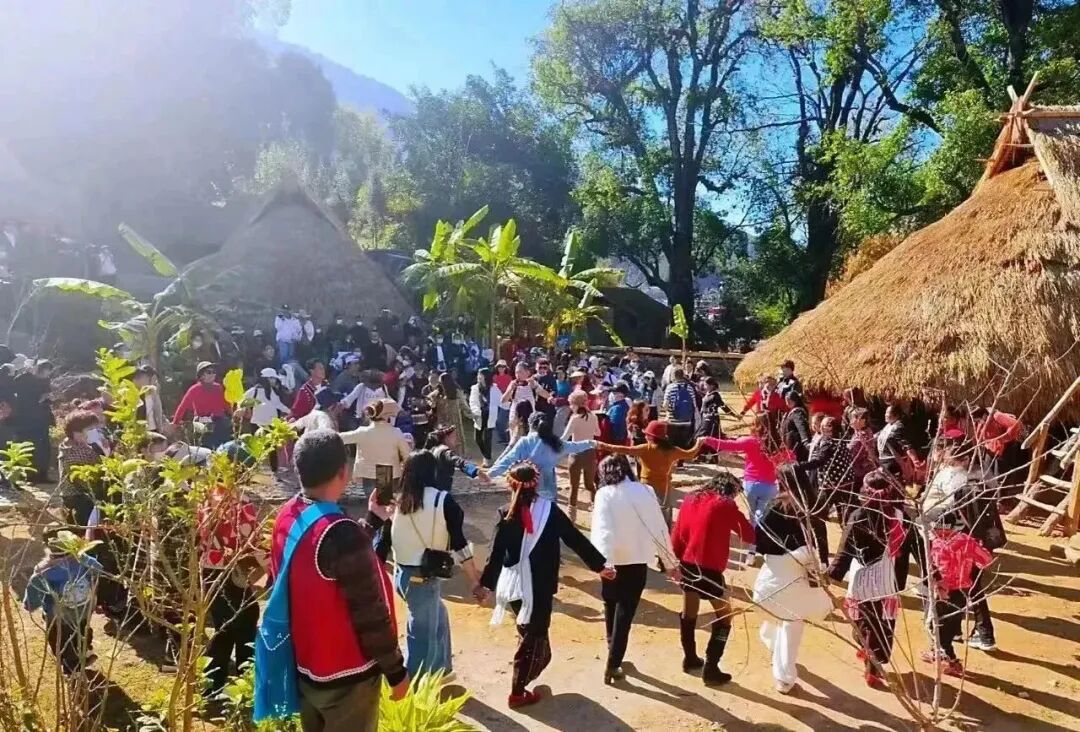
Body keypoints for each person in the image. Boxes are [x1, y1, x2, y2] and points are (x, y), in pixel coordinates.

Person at [267, 430, 406, 730]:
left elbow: (331, 561)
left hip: (306, 667)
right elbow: (369, 611)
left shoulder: (287, 516)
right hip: (348, 677)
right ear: (344, 472)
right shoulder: (341, 533)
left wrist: (371, 521)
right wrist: (396, 672)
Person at [479, 461, 614, 708]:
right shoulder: (549, 511)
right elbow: (575, 539)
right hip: (540, 585)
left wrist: (486, 585)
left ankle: (524, 676)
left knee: (528, 631)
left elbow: (495, 553)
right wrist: (600, 566)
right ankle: (517, 691)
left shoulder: (504, 513)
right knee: (535, 635)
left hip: (514, 584)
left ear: (510, 485)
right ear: (537, 483)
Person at [387, 451, 482, 678]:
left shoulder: (400, 500)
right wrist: (475, 581)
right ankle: (415, 685)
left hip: (402, 574)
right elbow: (460, 545)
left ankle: (441, 669)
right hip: (423, 578)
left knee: (438, 617)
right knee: (422, 636)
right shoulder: (441, 500)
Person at [828, 470, 914, 689]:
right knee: (883, 623)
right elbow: (917, 548)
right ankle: (876, 660)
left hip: (863, 580)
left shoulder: (858, 516)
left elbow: (845, 551)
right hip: (889, 579)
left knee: (863, 622)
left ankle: (870, 660)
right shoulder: (901, 517)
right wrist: (934, 575)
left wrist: (830, 576)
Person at [591, 454, 673, 683]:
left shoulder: (604, 494)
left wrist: (603, 564)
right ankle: (614, 661)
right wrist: (669, 562)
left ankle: (612, 648)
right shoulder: (646, 491)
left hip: (611, 562)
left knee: (610, 604)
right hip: (636, 561)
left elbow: (602, 530)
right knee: (625, 613)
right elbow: (659, 528)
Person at [670, 474, 755, 685]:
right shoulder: (725, 504)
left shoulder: (691, 498)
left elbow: (677, 531)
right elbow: (748, 535)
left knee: (689, 614)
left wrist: (674, 561)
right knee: (725, 617)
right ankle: (711, 667)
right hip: (710, 568)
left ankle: (690, 658)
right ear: (731, 491)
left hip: (687, 562)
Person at [753, 475, 831, 694]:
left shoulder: (775, 506)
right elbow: (821, 541)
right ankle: (784, 676)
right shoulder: (813, 509)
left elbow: (760, 540)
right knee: (792, 625)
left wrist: (780, 555)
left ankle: (773, 646)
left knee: (779, 614)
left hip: (777, 571)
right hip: (801, 575)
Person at [198, 478, 262, 696]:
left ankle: (212, 685)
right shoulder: (240, 501)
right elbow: (251, 539)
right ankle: (247, 684)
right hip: (232, 569)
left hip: (209, 570)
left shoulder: (207, 497)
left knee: (222, 627)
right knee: (246, 624)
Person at [23, 526, 103, 674]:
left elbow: (33, 593)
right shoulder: (83, 561)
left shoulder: (45, 570)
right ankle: (85, 650)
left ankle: (71, 666)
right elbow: (99, 569)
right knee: (83, 628)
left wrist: (29, 604)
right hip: (84, 608)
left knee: (60, 640)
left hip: (58, 616)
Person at [487, 412, 596, 502]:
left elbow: (508, 460)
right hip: (548, 490)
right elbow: (575, 446)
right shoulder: (554, 443)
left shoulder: (525, 442)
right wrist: (592, 443)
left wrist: (490, 474)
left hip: (526, 488)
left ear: (530, 425)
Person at [600, 420, 701, 518]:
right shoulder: (672, 450)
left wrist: (603, 445)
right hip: (664, 488)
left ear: (653, 437)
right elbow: (690, 454)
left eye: (647, 434)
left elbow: (623, 449)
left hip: (646, 487)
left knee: (647, 513)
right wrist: (699, 443)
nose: (645, 436)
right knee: (664, 513)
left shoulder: (645, 449)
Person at [701, 416, 779, 525]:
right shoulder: (778, 444)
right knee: (763, 514)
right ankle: (760, 529)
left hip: (751, 484)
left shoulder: (750, 441)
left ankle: (754, 531)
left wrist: (707, 440)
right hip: (770, 485)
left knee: (753, 513)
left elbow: (729, 445)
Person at [340, 399, 412, 494]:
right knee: (383, 502)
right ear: (388, 415)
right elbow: (407, 455)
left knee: (370, 501)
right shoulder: (396, 432)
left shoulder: (362, 432)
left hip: (367, 472)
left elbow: (340, 438)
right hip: (386, 472)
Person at [58, 410, 104, 527]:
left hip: (81, 496)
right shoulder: (73, 453)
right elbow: (88, 483)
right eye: (90, 429)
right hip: (79, 500)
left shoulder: (76, 445)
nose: (94, 433)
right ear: (76, 432)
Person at [561, 390, 602, 522]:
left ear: (576, 404)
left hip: (576, 455)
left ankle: (572, 516)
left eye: (571, 404)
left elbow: (564, 437)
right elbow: (598, 433)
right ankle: (596, 508)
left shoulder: (575, 418)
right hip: (590, 454)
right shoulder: (593, 416)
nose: (570, 407)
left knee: (574, 487)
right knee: (590, 484)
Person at [173, 361, 231, 448]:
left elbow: (225, 403)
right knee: (205, 446)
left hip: (219, 422)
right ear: (201, 376)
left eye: (214, 372)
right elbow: (183, 406)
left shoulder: (218, 387)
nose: (212, 374)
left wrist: (232, 413)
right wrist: (175, 422)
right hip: (201, 422)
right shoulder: (194, 389)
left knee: (223, 445)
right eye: (209, 372)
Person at [14, 359, 55, 481]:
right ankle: (28, 474)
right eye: (46, 370)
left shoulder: (45, 381)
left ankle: (42, 474)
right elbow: (24, 397)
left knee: (44, 447)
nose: (47, 373)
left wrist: (48, 398)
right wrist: (40, 399)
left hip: (42, 419)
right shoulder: (25, 379)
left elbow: (47, 397)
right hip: (28, 420)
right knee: (29, 446)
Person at [242, 368, 290, 470]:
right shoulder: (253, 391)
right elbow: (242, 402)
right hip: (257, 424)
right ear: (266, 379)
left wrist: (290, 412)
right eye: (272, 378)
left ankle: (273, 469)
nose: (274, 381)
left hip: (270, 424)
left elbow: (278, 404)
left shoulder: (271, 392)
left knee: (271, 447)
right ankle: (257, 470)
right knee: (257, 448)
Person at [877, 405, 924, 482]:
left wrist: (915, 460)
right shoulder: (888, 426)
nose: (885, 415)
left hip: (893, 462)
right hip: (884, 461)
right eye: (886, 412)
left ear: (896, 415)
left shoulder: (898, 427)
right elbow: (877, 435)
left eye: (888, 413)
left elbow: (906, 445)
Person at [469, 367, 500, 467]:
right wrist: (475, 412)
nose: (479, 377)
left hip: (490, 415)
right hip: (479, 415)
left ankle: (487, 459)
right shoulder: (475, 388)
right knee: (477, 438)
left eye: (481, 375)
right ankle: (486, 456)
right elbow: (472, 401)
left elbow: (501, 400)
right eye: (478, 375)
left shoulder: (494, 388)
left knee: (487, 438)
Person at [662, 368, 698, 448]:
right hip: (687, 420)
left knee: (672, 444)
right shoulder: (689, 388)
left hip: (673, 420)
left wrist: (667, 412)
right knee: (684, 444)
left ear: (673, 376)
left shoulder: (670, 387)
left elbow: (665, 405)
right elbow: (694, 405)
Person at [428, 372, 467, 442]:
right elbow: (430, 399)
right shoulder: (440, 392)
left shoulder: (455, 391)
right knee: (450, 439)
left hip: (450, 419)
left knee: (452, 438)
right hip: (447, 418)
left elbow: (463, 405)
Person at [697, 377, 736, 441]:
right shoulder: (707, 394)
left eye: (706, 385)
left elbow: (723, 407)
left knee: (707, 434)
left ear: (712, 386)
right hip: (704, 417)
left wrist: (733, 415)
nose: (704, 386)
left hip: (711, 419)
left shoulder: (715, 396)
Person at [780, 390, 813, 462]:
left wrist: (805, 441)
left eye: (790, 400)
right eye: (786, 400)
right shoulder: (790, 412)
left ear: (795, 400)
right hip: (791, 445)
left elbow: (801, 427)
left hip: (797, 446)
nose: (788, 402)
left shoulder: (797, 412)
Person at [134, 365, 165, 434]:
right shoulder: (134, 393)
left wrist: (160, 427)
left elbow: (158, 411)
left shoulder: (153, 393)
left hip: (152, 429)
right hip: (139, 431)